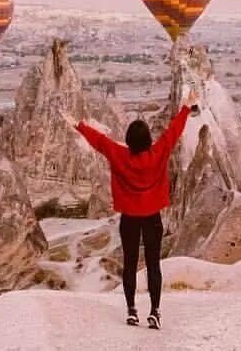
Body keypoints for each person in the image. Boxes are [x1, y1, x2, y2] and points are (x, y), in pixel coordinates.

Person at [61, 87, 198, 330]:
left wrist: (76, 124)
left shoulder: (120, 155)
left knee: (131, 263)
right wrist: (187, 105)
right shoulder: (158, 153)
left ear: (129, 141)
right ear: (147, 140)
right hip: (152, 217)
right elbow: (173, 132)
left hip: (130, 219)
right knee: (154, 265)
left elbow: (99, 142)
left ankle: (132, 311)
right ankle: (155, 312)